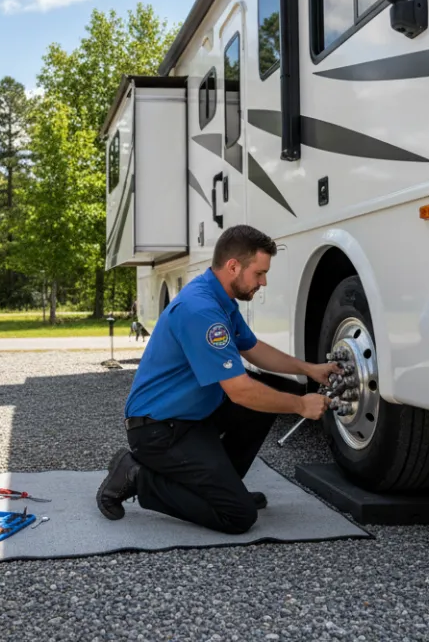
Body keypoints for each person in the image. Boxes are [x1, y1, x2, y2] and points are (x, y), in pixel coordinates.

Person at [95, 224, 337, 534]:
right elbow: (240, 392)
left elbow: (253, 349)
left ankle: (222, 487)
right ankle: (136, 476)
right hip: (158, 431)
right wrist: (301, 405)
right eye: (259, 273)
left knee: (279, 388)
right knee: (238, 517)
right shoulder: (201, 310)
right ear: (234, 266)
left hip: (192, 417)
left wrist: (309, 369)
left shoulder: (220, 298)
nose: (263, 282)